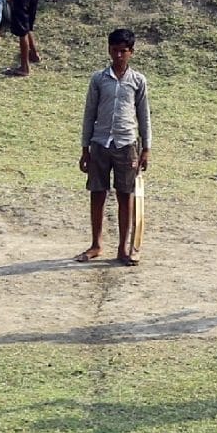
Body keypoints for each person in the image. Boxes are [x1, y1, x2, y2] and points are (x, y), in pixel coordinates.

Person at [78, 28, 151, 266]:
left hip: (126, 143)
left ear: (131, 52)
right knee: (97, 193)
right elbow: (89, 114)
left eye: (123, 51)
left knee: (125, 195)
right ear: (109, 50)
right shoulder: (99, 79)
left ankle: (123, 247)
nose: (118, 56)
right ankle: (96, 244)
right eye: (115, 50)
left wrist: (146, 148)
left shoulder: (138, 81)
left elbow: (144, 116)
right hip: (100, 142)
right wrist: (85, 147)